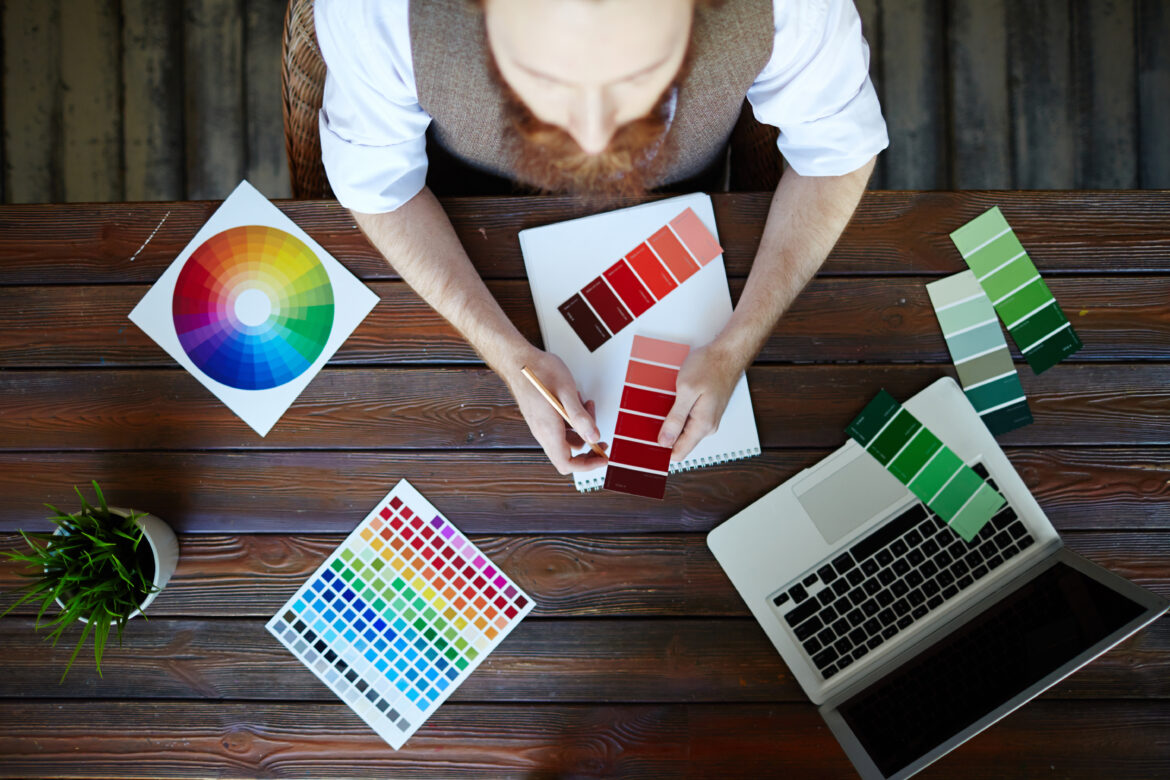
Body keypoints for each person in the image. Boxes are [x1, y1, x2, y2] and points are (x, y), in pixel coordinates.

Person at [316, 0, 888, 475]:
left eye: (641, 72)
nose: (592, 138)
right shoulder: (378, 11)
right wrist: (508, 356)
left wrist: (736, 346)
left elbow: (838, 156)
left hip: (690, 202)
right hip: (458, 220)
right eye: (543, 76)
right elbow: (381, 190)